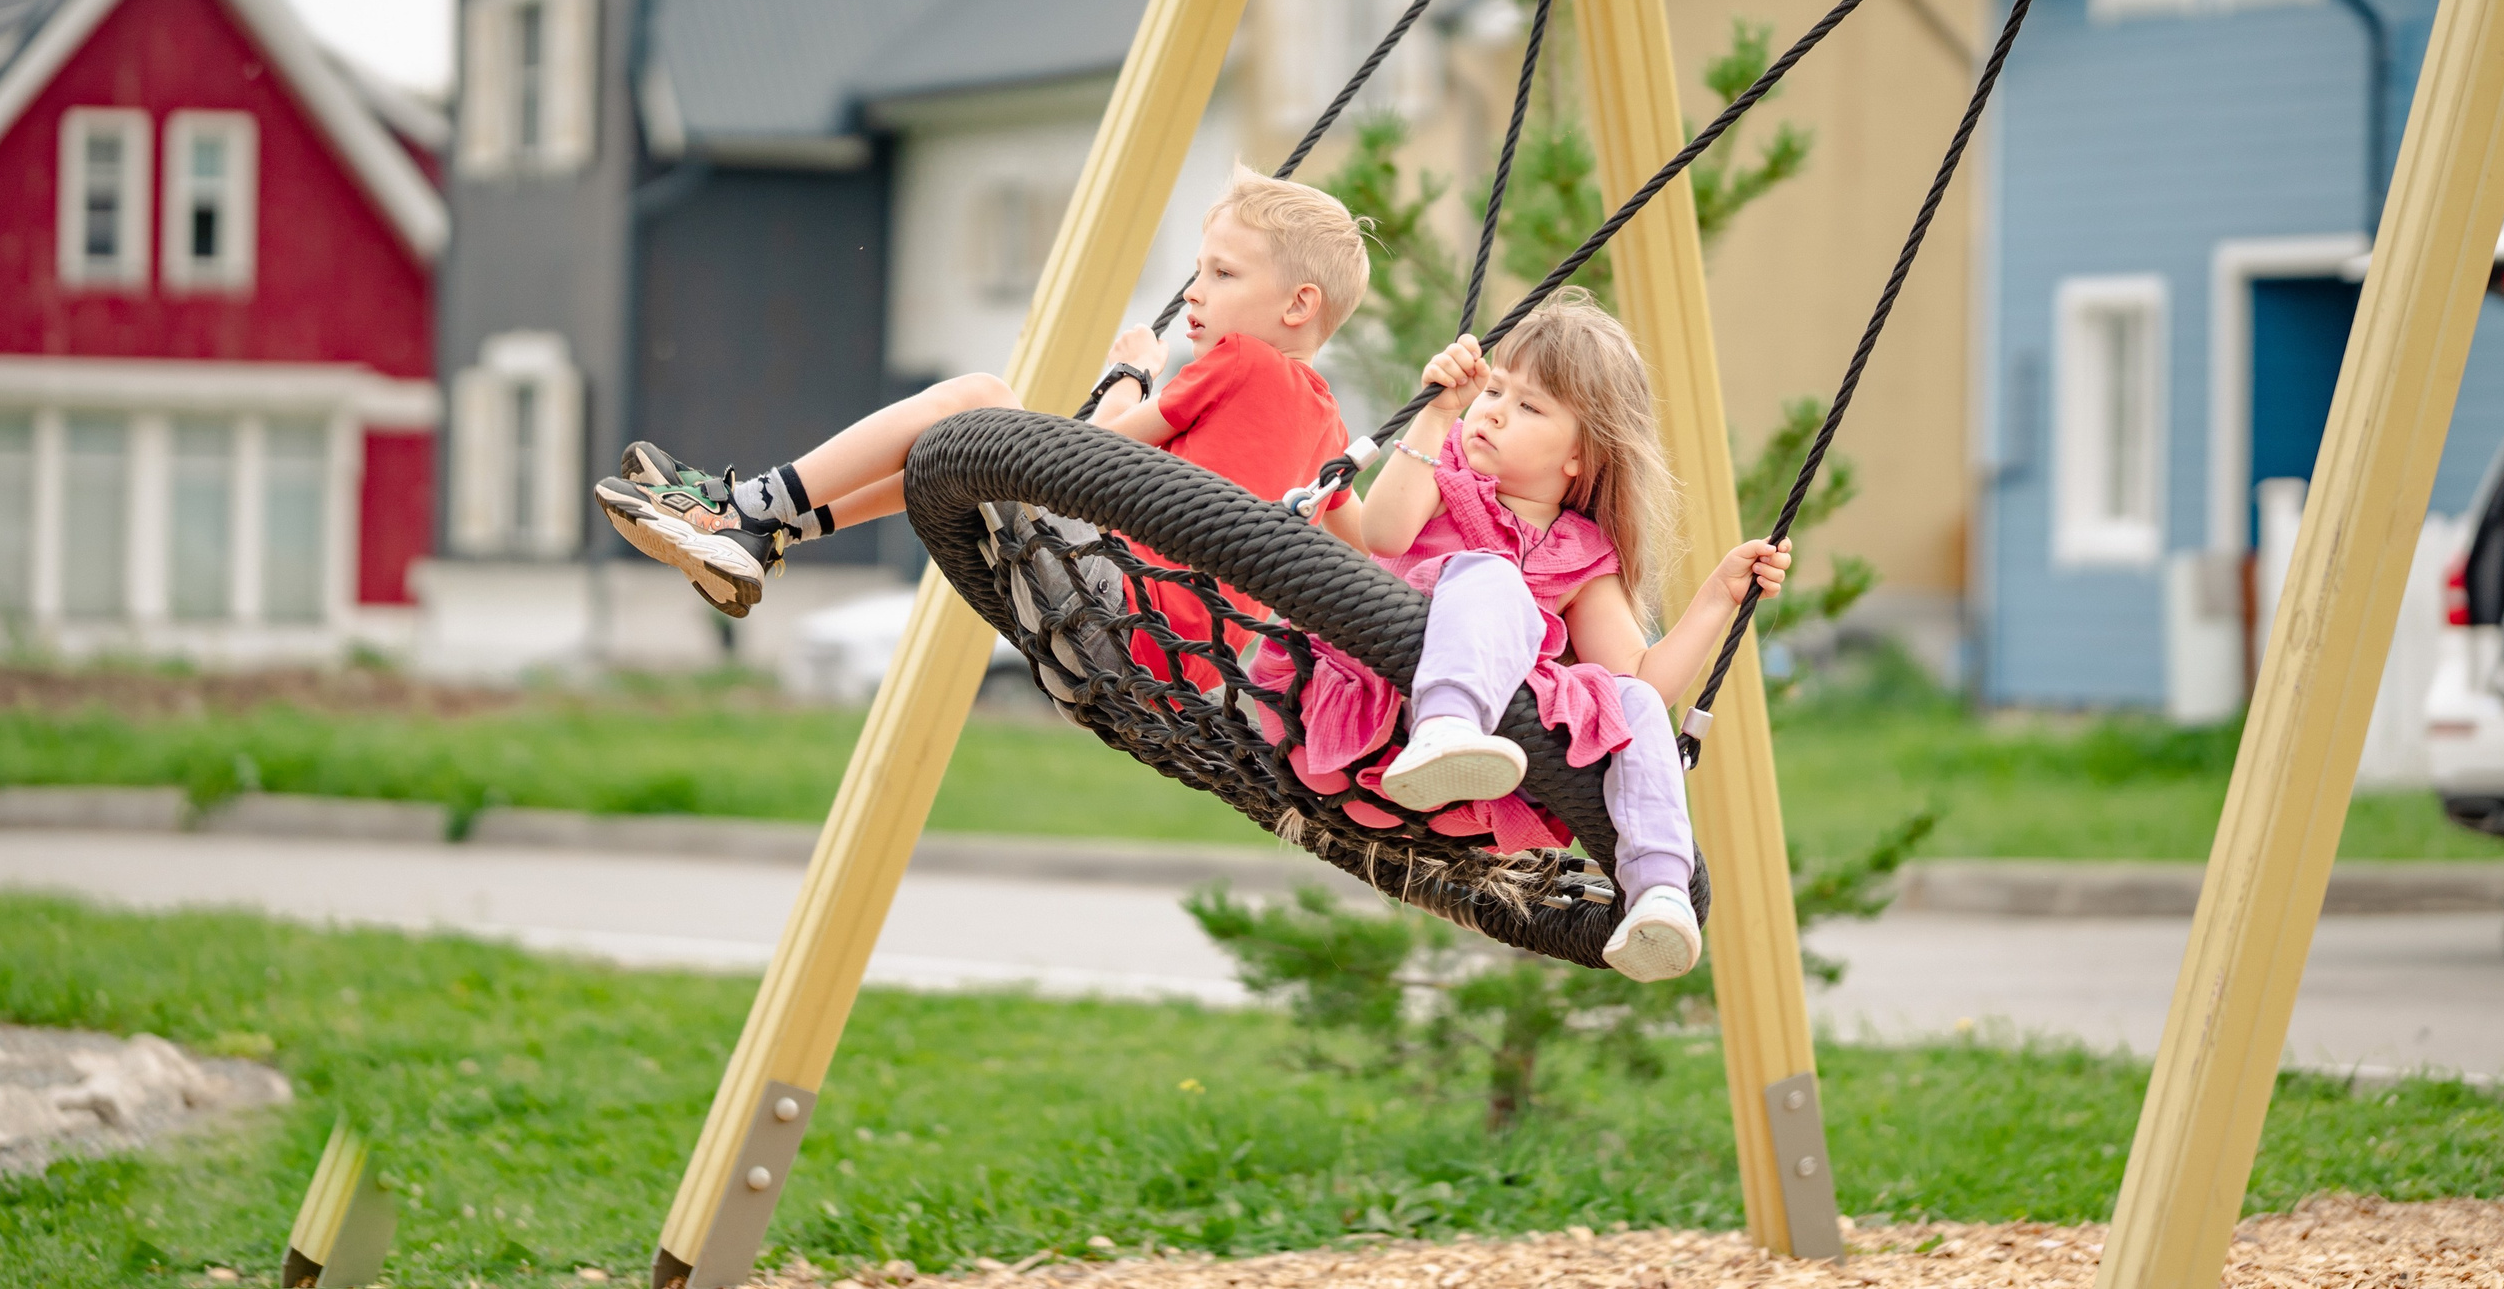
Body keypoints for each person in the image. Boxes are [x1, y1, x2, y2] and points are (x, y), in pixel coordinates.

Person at [1263, 288, 1788, 983]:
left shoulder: (1582, 554)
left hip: (1487, 778)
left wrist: (1718, 596)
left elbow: (1643, 683)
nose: (1495, 411)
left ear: (1581, 456)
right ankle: (1447, 723)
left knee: (1623, 706)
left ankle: (1658, 890)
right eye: (1495, 390)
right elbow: (1383, 533)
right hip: (1383, 704)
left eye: (1529, 406)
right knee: (1491, 576)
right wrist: (1435, 416)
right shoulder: (1442, 479)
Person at [594, 169, 1370, 618]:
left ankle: (750, 509)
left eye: (1223, 274)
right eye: (1199, 269)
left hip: (1120, 601)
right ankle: (771, 533)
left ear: (1298, 304)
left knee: (978, 399)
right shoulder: (1325, 427)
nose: (1195, 292)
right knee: (950, 461)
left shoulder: (1238, 362)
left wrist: (1129, 375)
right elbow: (1374, 544)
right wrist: (1436, 414)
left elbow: (1091, 460)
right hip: (1185, 658)